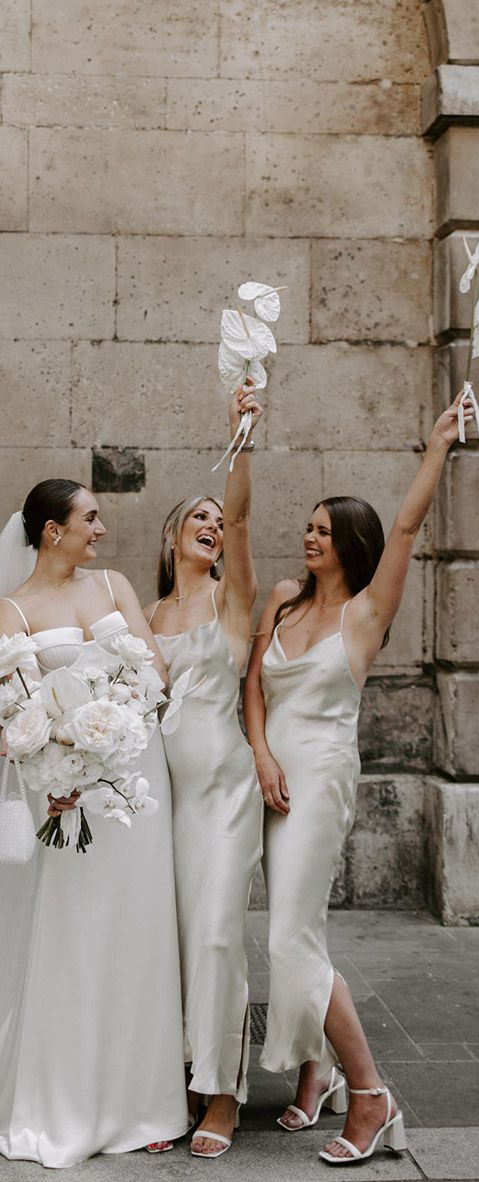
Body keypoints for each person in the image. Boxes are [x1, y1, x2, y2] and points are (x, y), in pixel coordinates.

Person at [244, 393, 473, 1165]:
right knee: (295, 932)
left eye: (323, 530)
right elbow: (252, 684)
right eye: (307, 526)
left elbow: (407, 526)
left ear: (351, 543)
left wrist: (438, 443)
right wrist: (261, 755)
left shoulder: (368, 614)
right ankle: (319, 1071)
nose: (309, 537)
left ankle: (371, 1094)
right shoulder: (280, 599)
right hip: (271, 777)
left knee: (288, 939)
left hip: (322, 777)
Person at [0, 480, 189, 1168]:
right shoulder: (12, 610)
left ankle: (147, 1101)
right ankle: (65, 1099)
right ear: (52, 530)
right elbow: (12, 717)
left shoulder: (112, 585)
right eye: (90, 517)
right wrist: (54, 764)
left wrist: (114, 728)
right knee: (75, 938)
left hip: (138, 783)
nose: (102, 528)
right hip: (69, 797)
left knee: (137, 936)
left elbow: (155, 673)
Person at [145, 383, 264, 1160]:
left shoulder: (234, 600)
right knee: (173, 942)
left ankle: (222, 1093)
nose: (214, 528)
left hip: (225, 789)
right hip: (165, 801)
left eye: (217, 523)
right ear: (171, 536)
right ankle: (179, 1079)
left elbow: (247, 517)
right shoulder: (148, 619)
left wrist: (242, 437)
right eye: (200, 519)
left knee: (218, 934)